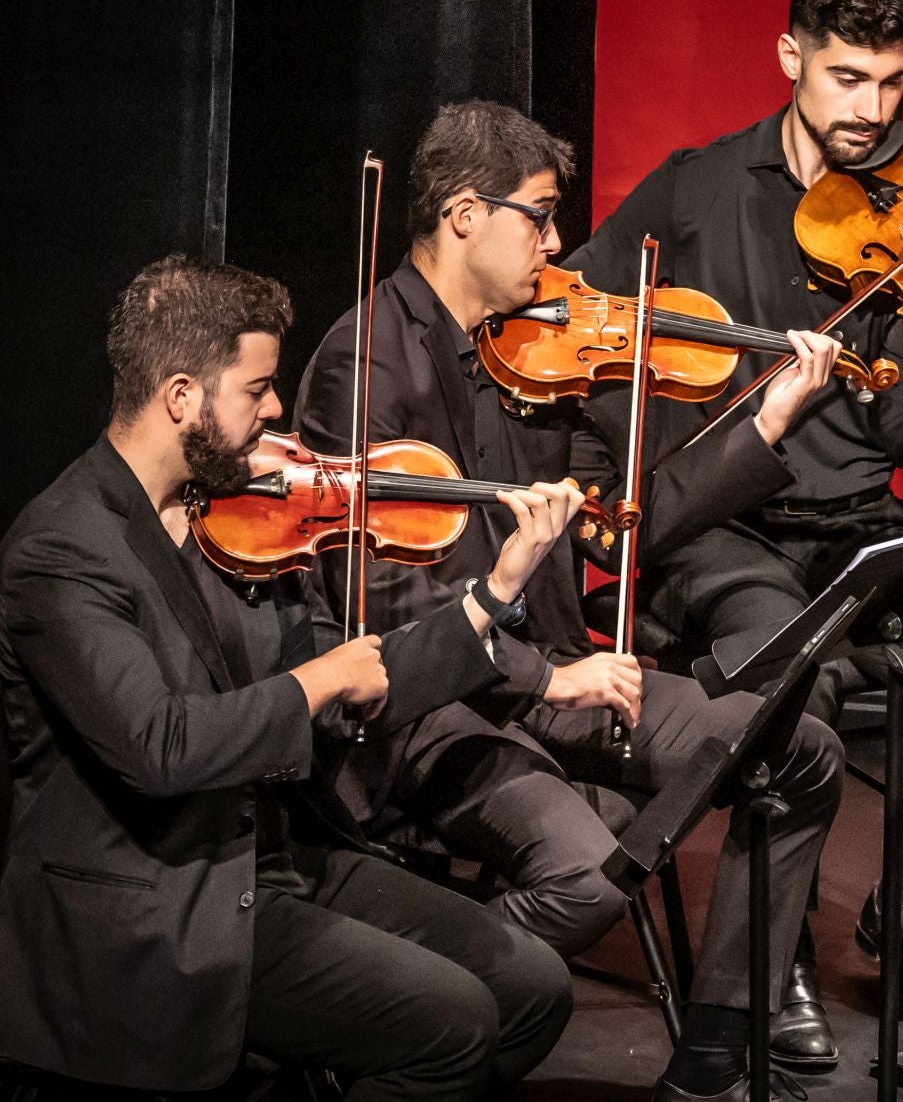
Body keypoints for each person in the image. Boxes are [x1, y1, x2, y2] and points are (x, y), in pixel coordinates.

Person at [568, 0, 903, 1061]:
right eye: (849, 78)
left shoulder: (901, 214)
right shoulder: (694, 190)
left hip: (862, 531)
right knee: (783, 717)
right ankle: (776, 957)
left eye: (894, 84)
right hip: (728, 535)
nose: (873, 110)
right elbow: (580, 312)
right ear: (791, 56)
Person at [295, 100, 846, 1102]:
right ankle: (406, 1013)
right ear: (465, 214)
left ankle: (715, 1040)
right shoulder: (365, 362)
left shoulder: (526, 355)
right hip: (434, 704)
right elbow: (386, 613)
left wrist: (761, 422)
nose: (557, 245)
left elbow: (618, 528)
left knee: (799, 741)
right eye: (540, 217)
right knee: (589, 872)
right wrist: (556, 675)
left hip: (560, 676)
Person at [0, 255, 581, 1098]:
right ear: (182, 397)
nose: (278, 410)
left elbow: (357, 681)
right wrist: (314, 684)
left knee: (532, 986)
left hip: (265, 858)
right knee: (452, 1022)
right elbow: (162, 746)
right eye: (258, 389)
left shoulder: (230, 518)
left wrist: (491, 596)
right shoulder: (61, 553)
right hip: (159, 906)